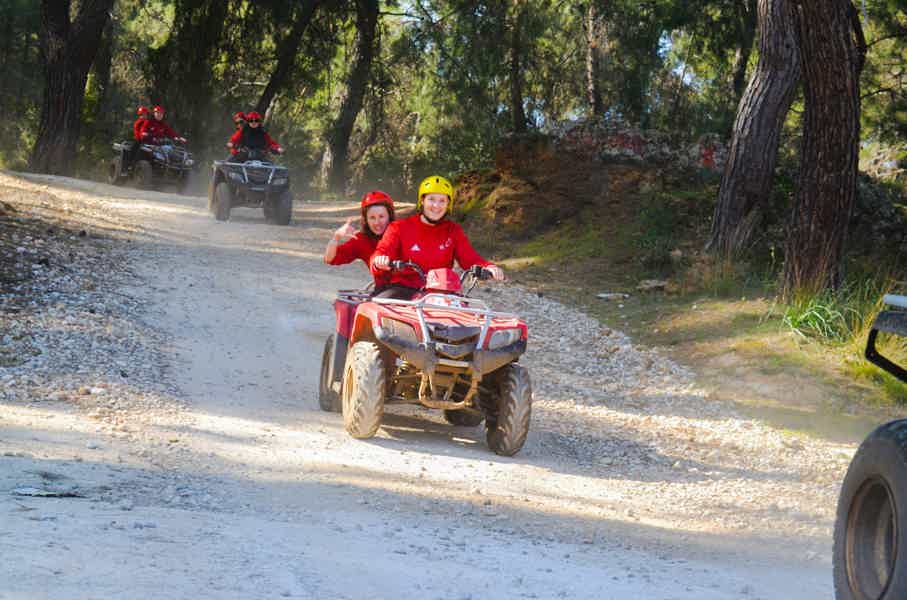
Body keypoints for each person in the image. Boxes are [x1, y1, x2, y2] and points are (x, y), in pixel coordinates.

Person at [371, 175, 504, 299]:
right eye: (432, 199)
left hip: (442, 293)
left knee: (471, 317)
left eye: (442, 201)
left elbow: (469, 258)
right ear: (422, 200)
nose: (436, 206)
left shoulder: (453, 230)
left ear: (448, 204)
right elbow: (383, 250)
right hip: (403, 289)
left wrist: (488, 267)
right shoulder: (399, 227)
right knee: (378, 307)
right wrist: (379, 261)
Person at [324, 190, 396, 289]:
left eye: (381, 216)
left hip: (414, 290)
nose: (377, 222)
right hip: (385, 291)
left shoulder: (401, 232)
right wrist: (336, 237)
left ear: (390, 216)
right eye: (372, 218)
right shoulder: (361, 240)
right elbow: (329, 259)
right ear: (366, 220)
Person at [124, 106, 149, 171]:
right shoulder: (137, 123)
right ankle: (128, 165)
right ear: (139, 115)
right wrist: (142, 136)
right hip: (139, 140)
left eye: (145, 114)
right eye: (142, 114)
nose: (143, 116)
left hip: (147, 141)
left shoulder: (148, 122)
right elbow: (137, 132)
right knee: (134, 150)